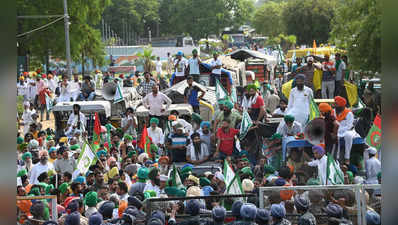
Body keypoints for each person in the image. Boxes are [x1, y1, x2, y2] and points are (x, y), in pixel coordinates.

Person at [332, 96, 359, 165]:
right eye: (334, 104)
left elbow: (349, 126)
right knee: (335, 136)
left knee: (348, 136)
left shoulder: (348, 113)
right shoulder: (333, 112)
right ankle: (336, 157)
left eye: (336, 104)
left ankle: (347, 157)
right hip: (336, 130)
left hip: (348, 131)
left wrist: (338, 129)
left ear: (341, 105)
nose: (334, 106)